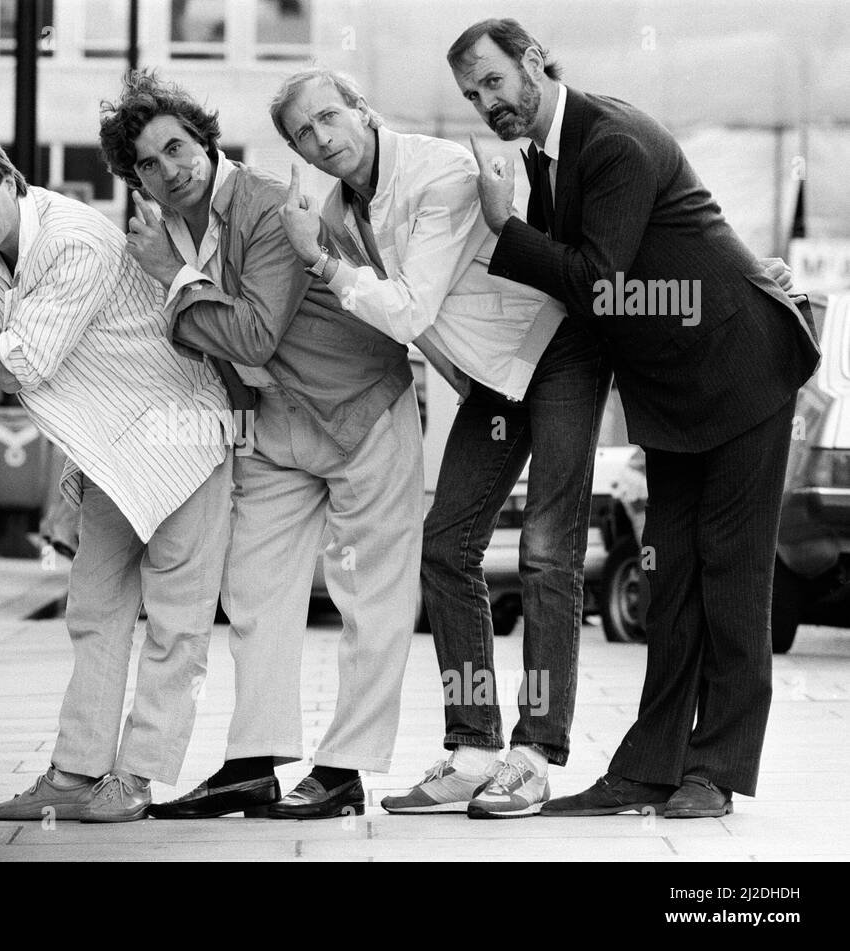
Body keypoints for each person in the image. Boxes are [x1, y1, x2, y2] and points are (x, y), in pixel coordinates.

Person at [449, 18, 820, 818]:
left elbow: (593, 280)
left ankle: (714, 771)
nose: (487, 102)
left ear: (535, 61)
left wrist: (501, 225)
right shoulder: (551, 157)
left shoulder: (610, 138)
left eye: (493, 80)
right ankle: (648, 767)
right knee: (670, 579)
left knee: (733, 577)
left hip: (742, 369)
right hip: (673, 393)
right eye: (472, 94)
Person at [270, 65, 609, 819]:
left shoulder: (443, 173)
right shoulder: (335, 206)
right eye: (302, 134)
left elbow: (409, 305)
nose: (322, 140)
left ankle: (533, 753)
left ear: (362, 108)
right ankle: (475, 746)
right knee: (445, 546)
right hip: (490, 381)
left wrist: (321, 260)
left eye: (330, 117)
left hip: (556, 349)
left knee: (548, 551)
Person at [100, 71, 423, 820]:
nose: (168, 169)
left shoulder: (269, 205)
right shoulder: (170, 227)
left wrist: (172, 282)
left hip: (360, 410)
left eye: (176, 147)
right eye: (147, 163)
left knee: (369, 596)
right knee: (253, 591)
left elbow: (252, 331)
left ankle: (342, 769)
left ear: (204, 139)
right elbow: (218, 351)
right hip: (273, 423)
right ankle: (253, 761)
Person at [0, 126, 233, 823]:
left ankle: (138, 777)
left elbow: (20, 364)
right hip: (112, 454)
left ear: (10, 180)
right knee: (93, 610)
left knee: (177, 625)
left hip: (182, 439)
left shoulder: (72, 241)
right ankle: (77, 771)